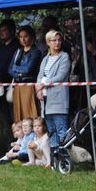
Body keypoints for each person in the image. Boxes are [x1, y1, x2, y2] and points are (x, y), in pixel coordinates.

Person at [36, 30, 71, 163]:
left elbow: (60, 76)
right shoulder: (45, 58)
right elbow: (39, 76)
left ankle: (66, 158)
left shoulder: (64, 57)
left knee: (61, 130)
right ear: (48, 42)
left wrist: (42, 85)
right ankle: (55, 159)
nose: (57, 43)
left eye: (59, 40)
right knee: (51, 130)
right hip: (45, 100)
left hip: (58, 99)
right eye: (54, 40)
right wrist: (38, 90)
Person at [8, 25, 42, 122]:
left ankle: (33, 136)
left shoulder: (35, 52)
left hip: (28, 85)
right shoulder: (18, 51)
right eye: (21, 36)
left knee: (29, 114)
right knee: (18, 115)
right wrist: (18, 74)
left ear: (31, 37)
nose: (23, 39)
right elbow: (9, 69)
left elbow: (28, 69)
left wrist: (16, 68)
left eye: (26, 36)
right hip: (17, 85)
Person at [0, 19, 20, 126]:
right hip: (1, 85)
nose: (1, 33)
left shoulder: (18, 46)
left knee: (16, 115)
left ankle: (19, 140)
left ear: (11, 31)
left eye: (4, 30)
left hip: (14, 84)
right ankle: (10, 140)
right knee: (5, 116)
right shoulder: (1, 46)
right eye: (0, 30)